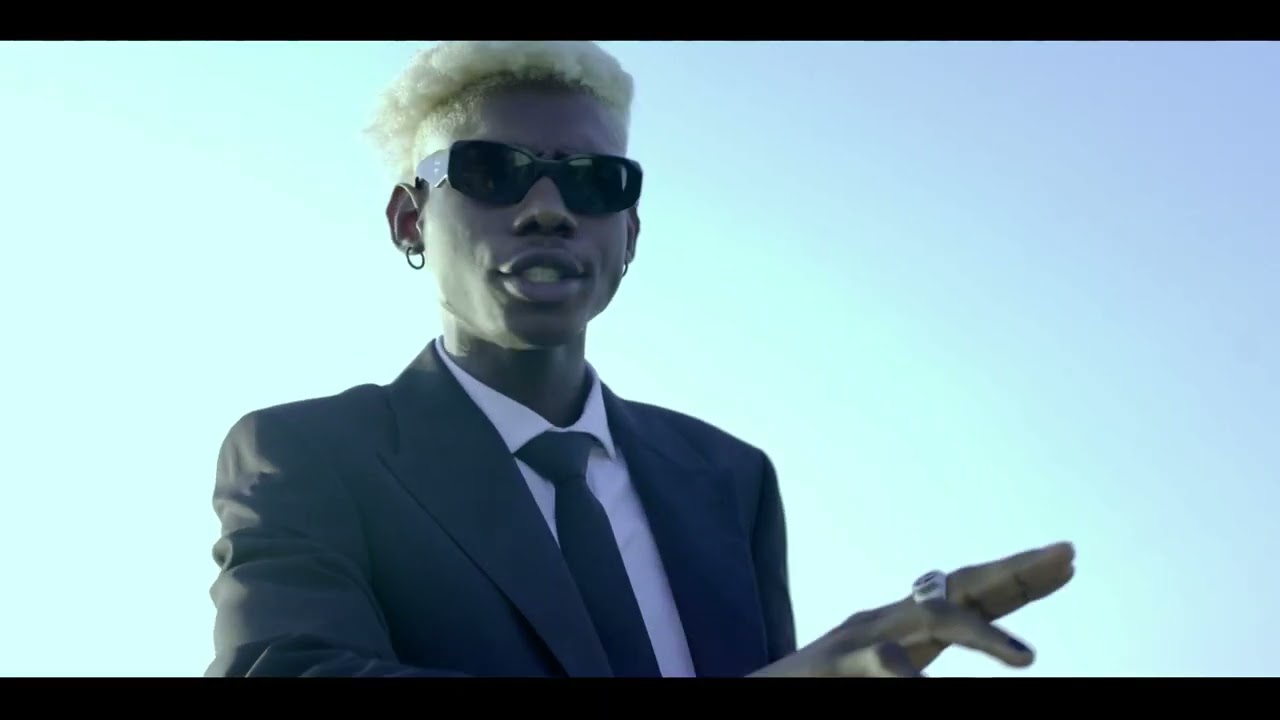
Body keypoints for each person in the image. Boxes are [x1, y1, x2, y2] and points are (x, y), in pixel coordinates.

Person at [205, 40, 1076, 678]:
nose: (549, 209)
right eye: (492, 171)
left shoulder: (729, 478)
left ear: (630, 234)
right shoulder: (310, 454)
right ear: (409, 220)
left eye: (596, 181)